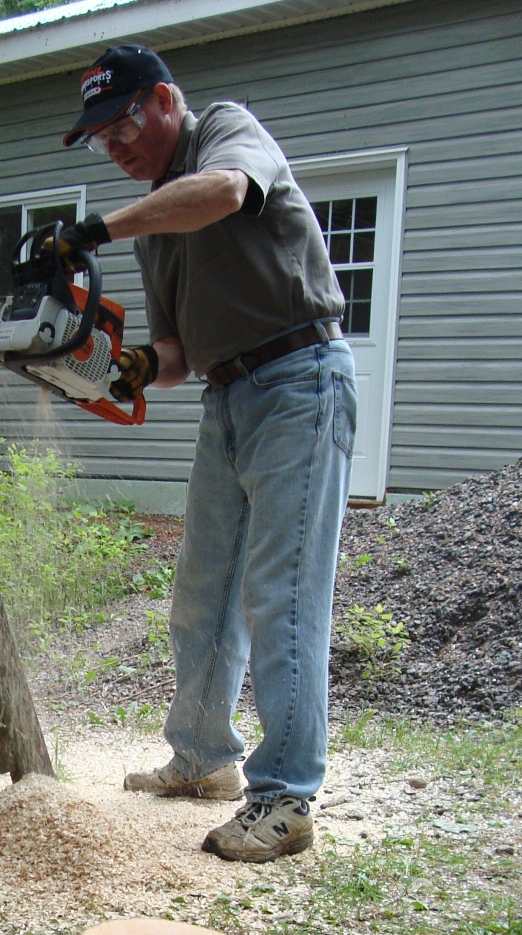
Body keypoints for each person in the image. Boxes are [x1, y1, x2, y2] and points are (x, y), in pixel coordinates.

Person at [58, 44, 356, 863]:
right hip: (226, 395)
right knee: (203, 588)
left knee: (280, 592)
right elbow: (176, 352)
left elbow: (223, 195)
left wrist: (93, 230)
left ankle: (286, 796)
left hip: (300, 377)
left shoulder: (223, 133)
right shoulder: (155, 223)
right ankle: (200, 759)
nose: (112, 145)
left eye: (120, 124)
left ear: (164, 101)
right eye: (98, 137)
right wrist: (133, 368)